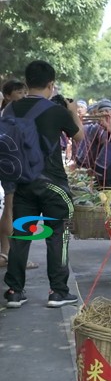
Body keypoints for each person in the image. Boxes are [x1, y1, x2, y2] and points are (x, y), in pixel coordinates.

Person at [4, 60, 84, 308]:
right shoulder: (56, 110)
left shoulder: (10, 110)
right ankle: (58, 292)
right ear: (51, 84)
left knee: (21, 236)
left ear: (27, 83)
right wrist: (72, 111)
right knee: (57, 236)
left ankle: (15, 291)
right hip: (53, 186)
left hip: (23, 183)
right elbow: (80, 137)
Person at [0, 79, 39, 270]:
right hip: (15, 167)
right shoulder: (11, 116)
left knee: (10, 208)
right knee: (14, 209)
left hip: (12, 165)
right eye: (19, 93)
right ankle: (13, 257)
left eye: (25, 92)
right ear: (7, 96)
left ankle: (6, 254)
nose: (24, 96)